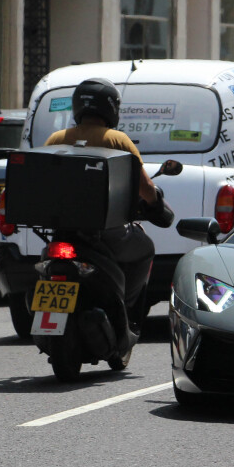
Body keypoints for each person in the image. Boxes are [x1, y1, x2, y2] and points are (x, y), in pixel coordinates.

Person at [44, 78, 160, 337]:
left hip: (62, 231)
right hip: (106, 232)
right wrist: (155, 204)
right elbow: (146, 188)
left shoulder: (55, 139)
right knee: (146, 248)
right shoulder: (117, 140)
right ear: (111, 109)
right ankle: (125, 305)